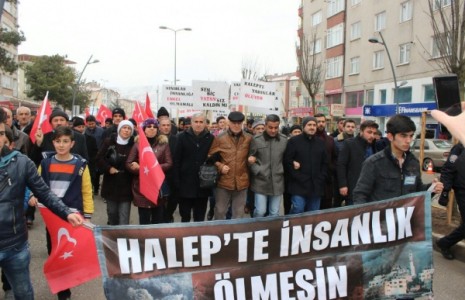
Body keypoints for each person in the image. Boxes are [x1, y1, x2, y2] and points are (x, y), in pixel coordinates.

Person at [0, 108, 83, 300]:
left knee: (23, 293)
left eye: (1, 133)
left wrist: (66, 213)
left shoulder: (22, 163)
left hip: (15, 246)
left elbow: (44, 192)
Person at [29, 126, 93, 300]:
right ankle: (59, 280)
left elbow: (87, 191)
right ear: (53, 142)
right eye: (58, 141)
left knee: (68, 252)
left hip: (73, 217)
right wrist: (33, 195)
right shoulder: (46, 163)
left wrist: (87, 215)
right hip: (52, 216)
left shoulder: (81, 165)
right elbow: (38, 185)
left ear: (72, 143)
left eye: (66, 141)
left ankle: (64, 289)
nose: (61, 145)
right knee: (53, 250)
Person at [353, 115, 443, 204]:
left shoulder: (413, 162)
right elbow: (360, 195)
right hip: (381, 217)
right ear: (390, 136)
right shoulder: (374, 163)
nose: (408, 140)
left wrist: (431, 188)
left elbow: (417, 190)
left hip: (405, 217)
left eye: (411, 136)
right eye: (403, 136)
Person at [126, 118, 172, 224]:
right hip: (142, 187)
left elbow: (169, 163)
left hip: (157, 186)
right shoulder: (138, 144)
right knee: (144, 221)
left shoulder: (163, 144)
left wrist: (150, 169)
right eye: (149, 127)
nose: (152, 129)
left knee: (157, 220)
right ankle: (144, 241)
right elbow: (128, 164)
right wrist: (140, 169)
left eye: (154, 127)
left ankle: (155, 240)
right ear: (144, 129)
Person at [208, 111, 252, 219]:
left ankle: (235, 235)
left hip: (242, 181)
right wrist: (220, 166)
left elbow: (254, 154)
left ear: (242, 123)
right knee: (220, 210)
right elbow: (210, 156)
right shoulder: (220, 138)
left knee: (238, 213)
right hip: (224, 181)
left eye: (239, 123)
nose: (236, 125)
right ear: (229, 123)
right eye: (233, 123)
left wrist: (252, 159)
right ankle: (219, 233)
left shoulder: (249, 138)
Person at [174, 113, 214, 222]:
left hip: (203, 184)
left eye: (201, 122)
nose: (198, 124)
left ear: (205, 123)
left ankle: (198, 238)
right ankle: (185, 237)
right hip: (185, 183)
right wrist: (177, 181)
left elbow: (215, 159)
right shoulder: (181, 137)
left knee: (200, 217)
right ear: (191, 123)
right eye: (196, 122)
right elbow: (176, 160)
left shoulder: (211, 138)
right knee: (185, 215)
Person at [284, 117, 328, 213]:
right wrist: (298, 176)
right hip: (298, 184)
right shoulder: (294, 141)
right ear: (304, 127)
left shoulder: (320, 142)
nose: (312, 127)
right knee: (298, 209)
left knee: (313, 213)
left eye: (314, 125)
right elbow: (287, 161)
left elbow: (325, 163)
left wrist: (321, 177)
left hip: (316, 185)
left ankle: (308, 229)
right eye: (309, 125)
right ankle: (293, 227)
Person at [248, 114, 287, 217]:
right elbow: (249, 159)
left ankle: (271, 233)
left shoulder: (284, 140)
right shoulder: (256, 140)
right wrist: (258, 170)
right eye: (270, 127)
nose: (273, 130)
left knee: (274, 212)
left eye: (276, 127)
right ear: (265, 126)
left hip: (277, 182)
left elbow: (287, 159)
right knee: (260, 211)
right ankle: (257, 230)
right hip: (260, 182)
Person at [97, 120, 135, 225]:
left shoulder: (134, 145)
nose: (126, 130)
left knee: (124, 218)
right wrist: (109, 168)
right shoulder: (108, 142)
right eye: (124, 128)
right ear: (119, 129)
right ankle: (113, 238)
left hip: (126, 185)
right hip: (111, 184)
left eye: (129, 129)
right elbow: (99, 158)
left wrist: (135, 166)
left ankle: (123, 239)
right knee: (112, 213)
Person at [336, 120, 378, 206]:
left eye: (374, 133)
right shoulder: (350, 144)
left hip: (371, 189)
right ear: (361, 131)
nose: (372, 136)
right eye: (369, 132)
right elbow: (341, 165)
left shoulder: (374, 146)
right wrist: (343, 185)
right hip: (354, 188)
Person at [435, 142, 465, 260]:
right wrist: (445, 192)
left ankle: (445, 243)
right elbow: (448, 170)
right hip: (462, 190)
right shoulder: (459, 148)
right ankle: (445, 243)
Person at [314, 113, 337, 209]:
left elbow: (334, 157)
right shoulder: (310, 138)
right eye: (318, 122)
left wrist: (331, 169)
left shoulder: (330, 139)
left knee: (326, 207)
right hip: (312, 180)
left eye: (323, 121)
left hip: (327, 181)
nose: (321, 124)